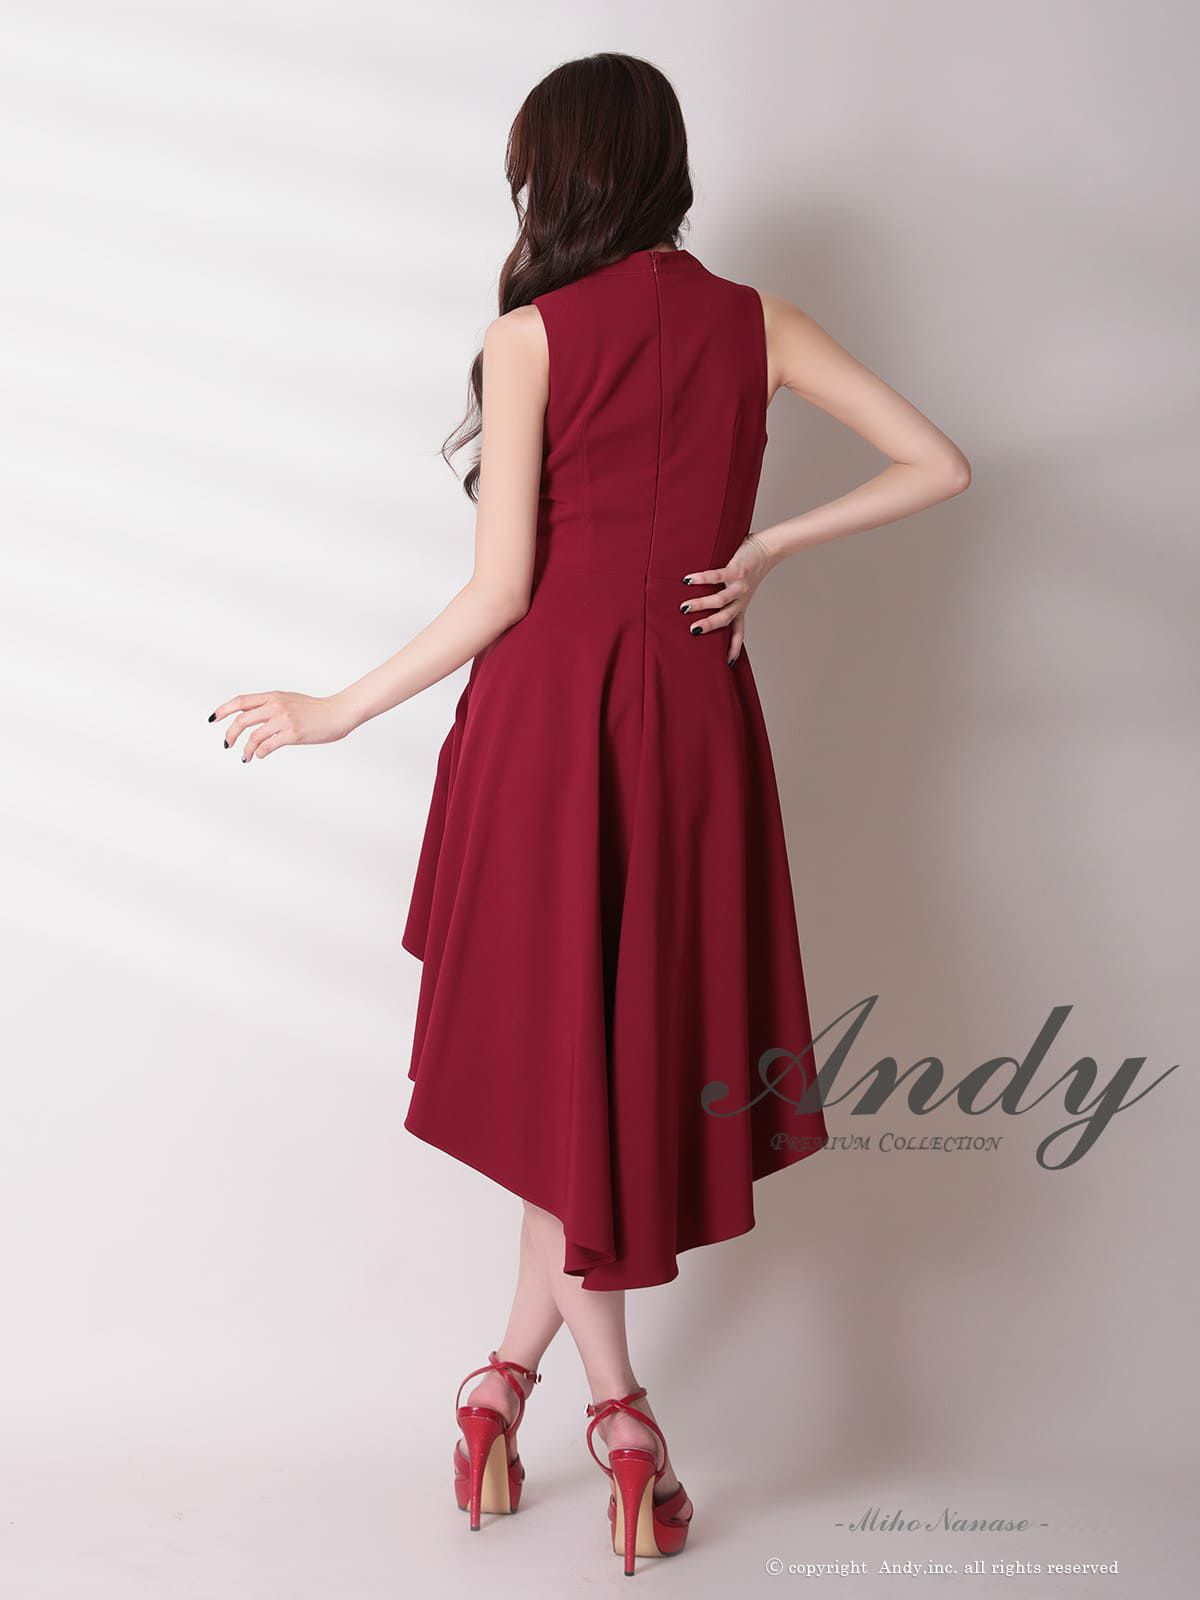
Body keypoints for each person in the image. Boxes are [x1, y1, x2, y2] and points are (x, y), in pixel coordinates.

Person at [210, 51, 970, 1576]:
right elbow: (939, 465)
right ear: (666, 168)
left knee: (578, 1094)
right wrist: (768, 549)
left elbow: (502, 591)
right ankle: (508, 1392)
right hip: (692, 733)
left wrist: (338, 707)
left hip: (549, 734)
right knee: (598, 1088)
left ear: (556, 176)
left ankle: (613, 1418)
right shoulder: (760, 323)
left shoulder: (529, 338)